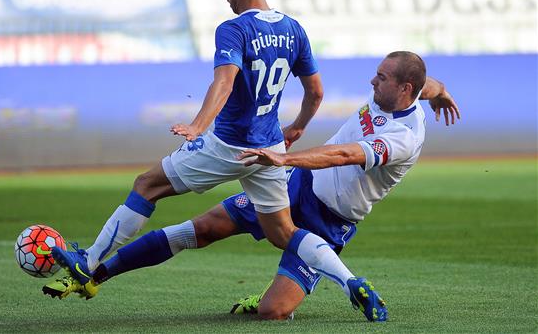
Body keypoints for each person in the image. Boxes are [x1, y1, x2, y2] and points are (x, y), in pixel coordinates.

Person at [49, 0, 382, 320]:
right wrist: (298, 127)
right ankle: (351, 281)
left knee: (147, 185)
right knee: (284, 233)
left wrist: (197, 127)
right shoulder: (293, 29)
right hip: (269, 148)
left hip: (228, 145)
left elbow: (224, 83)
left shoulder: (234, 28)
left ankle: (88, 261)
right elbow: (316, 92)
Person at [44, 51, 460, 322]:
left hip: (331, 220)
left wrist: (283, 157)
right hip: (296, 186)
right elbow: (429, 84)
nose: (372, 82)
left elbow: (344, 155)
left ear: (403, 90)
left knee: (272, 313)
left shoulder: (404, 137)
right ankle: (98, 273)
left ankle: (290, 295)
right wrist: (440, 91)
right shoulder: (407, 90)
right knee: (201, 229)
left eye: (381, 78)